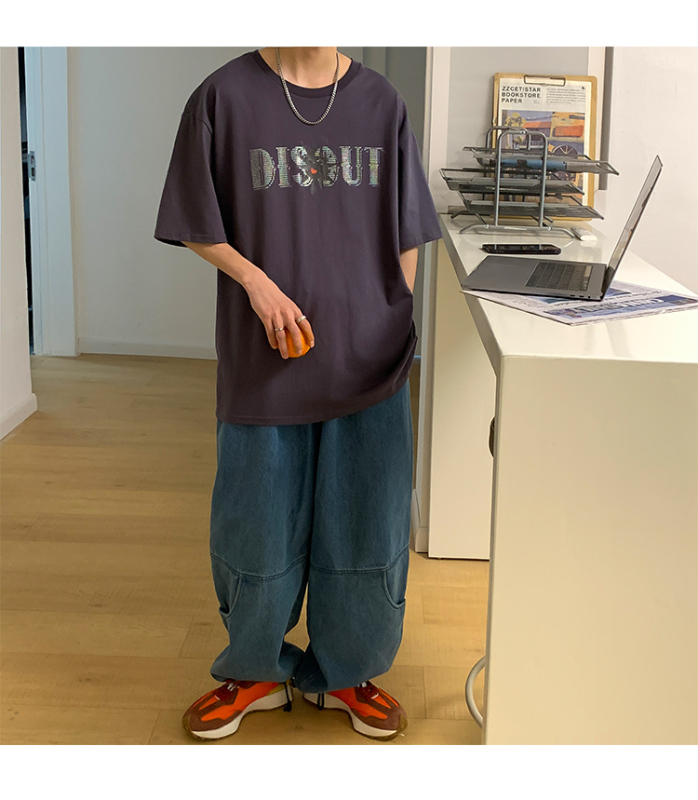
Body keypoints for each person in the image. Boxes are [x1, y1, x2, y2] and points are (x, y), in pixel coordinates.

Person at [154, 46, 442, 741]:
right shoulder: (223, 97)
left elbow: (407, 226)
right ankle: (256, 671)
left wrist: (390, 308)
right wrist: (255, 283)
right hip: (266, 359)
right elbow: (196, 219)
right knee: (255, 525)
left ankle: (347, 673)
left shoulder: (381, 103)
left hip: (370, 359)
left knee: (366, 521)